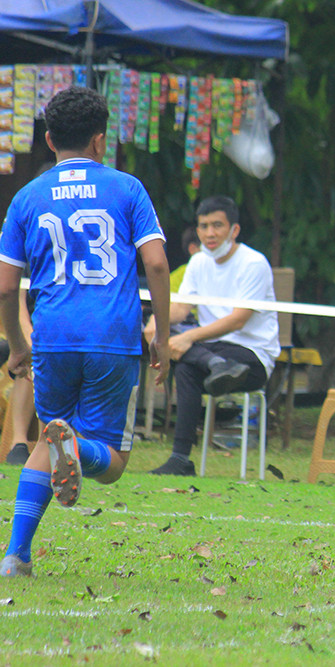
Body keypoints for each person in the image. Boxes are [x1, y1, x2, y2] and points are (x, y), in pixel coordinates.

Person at [0, 86, 171, 578]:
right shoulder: (127, 188)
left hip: (52, 337)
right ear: (101, 141)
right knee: (112, 463)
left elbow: (6, 290)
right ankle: (78, 450)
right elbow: (156, 263)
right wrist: (158, 332)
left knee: (43, 442)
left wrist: (17, 345)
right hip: (112, 337)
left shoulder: (26, 197)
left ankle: (16, 555)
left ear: (49, 139)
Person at [146, 195, 279, 477]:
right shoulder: (198, 263)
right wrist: (155, 323)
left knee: (184, 360)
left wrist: (188, 337)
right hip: (215, 356)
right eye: (203, 226)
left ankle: (181, 457)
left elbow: (238, 319)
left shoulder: (254, 262)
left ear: (234, 230)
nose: (209, 233)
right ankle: (180, 459)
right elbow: (181, 308)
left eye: (217, 225)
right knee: (183, 365)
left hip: (251, 358)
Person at [4, 289, 37, 466]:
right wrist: (30, 343)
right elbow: (12, 294)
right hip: (33, 329)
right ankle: (18, 442)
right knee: (30, 361)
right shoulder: (26, 263)